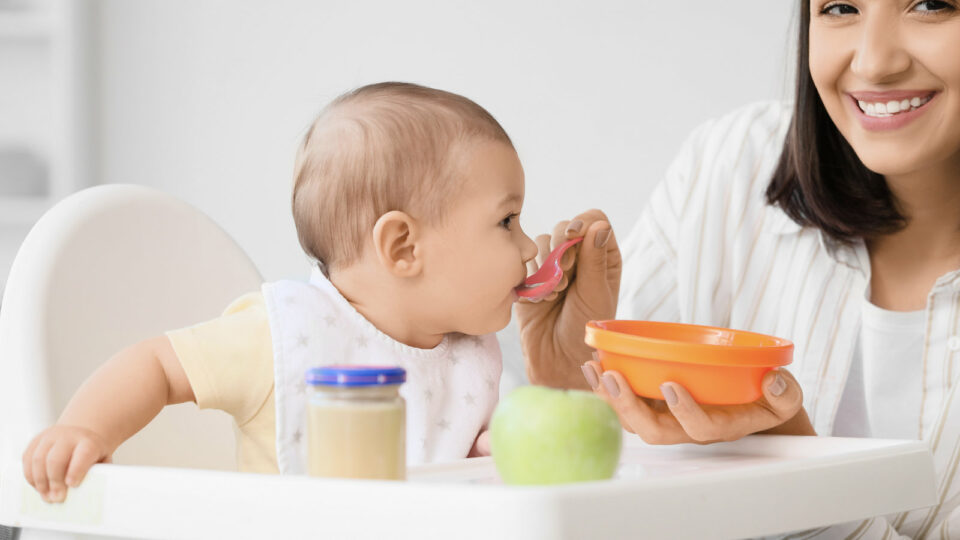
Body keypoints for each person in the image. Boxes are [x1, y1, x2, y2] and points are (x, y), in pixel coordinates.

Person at [518, 0, 960, 537]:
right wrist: (584, 393)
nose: (872, 62)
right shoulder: (733, 163)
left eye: (932, 5)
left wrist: (790, 462)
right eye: (840, 7)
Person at [22, 82, 539, 503]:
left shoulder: (471, 359)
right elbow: (155, 364)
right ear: (403, 246)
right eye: (506, 220)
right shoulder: (286, 336)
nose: (529, 245)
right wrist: (84, 430)